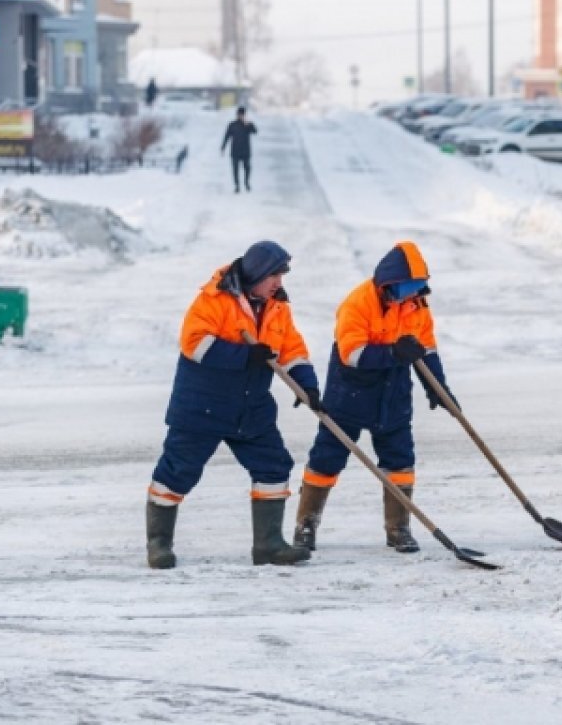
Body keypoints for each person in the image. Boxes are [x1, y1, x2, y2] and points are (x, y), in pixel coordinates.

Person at [146, 240, 322, 569]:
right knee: (177, 471)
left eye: (282, 277)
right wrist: (245, 356)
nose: (279, 284)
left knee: (273, 466)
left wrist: (307, 386)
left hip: (250, 408)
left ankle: (268, 545)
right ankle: (159, 544)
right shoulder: (213, 299)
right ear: (256, 274)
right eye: (274, 276)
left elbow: (292, 349)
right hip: (203, 406)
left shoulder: (278, 307)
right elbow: (194, 344)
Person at [292, 241, 458, 554]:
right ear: (387, 284)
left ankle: (398, 528)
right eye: (406, 288)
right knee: (326, 459)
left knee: (400, 460)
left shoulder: (416, 306)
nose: (411, 295)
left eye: (416, 288)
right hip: (350, 394)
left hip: (393, 394)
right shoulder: (357, 303)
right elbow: (352, 353)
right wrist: (394, 352)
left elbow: (427, 348)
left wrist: (437, 386)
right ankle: (306, 525)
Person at [221, 106, 258, 193]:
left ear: (244, 115)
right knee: (235, 170)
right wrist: (223, 147)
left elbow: (255, 131)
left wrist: (248, 124)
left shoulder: (248, 124)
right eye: (239, 114)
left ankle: (246, 182)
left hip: (246, 151)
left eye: (242, 115)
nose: (240, 116)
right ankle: (237, 185)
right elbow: (227, 136)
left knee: (247, 168)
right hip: (235, 151)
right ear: (236, 115)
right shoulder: (232, 124)